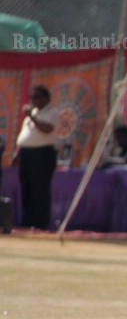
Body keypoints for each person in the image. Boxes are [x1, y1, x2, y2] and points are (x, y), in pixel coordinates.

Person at [12, 85, 59, 230]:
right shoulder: (32, 113)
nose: (33, 100)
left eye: (36, 97)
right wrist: (18, 152)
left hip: (42, 154)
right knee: (27, 188)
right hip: (27, 154)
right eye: (32, 97)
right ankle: (27, 220)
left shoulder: (52, 112)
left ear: (46, 98)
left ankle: (40, 223)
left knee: (40, 189)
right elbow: (25, 135)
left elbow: (47, 129)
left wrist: (32, 117)